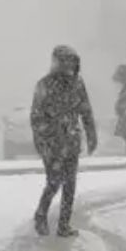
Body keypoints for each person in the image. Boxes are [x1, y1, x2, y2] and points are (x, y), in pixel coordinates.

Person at [31, 46, 98, 236]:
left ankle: (64, 225)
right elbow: (36, 117)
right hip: (52, 143)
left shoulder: (78, 83)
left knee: (70, 185)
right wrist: (43, 140)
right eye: (66, 61)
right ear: (57, 62)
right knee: (54, 182)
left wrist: (91, 134)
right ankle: (41, 215)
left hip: (71, 141)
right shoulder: (44, 85)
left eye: (73, 61)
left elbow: (85, 110)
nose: (70, 65)